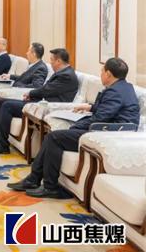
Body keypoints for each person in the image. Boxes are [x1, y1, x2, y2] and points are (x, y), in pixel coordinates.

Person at [8, 57, 139, 198]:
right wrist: (90, 107)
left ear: (108, 74)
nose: (100, 74)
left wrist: (76, 126)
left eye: (102, 71)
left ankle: (48, 186)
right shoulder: (125, 87)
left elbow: (100, 119)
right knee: (54, 136)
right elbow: (108, 110)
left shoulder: (114, 92)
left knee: (54, 137)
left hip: (106, 133)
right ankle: (33, 180)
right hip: (107, 128)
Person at [0, 48, 79, 154]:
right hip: (41, 102)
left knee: (7, 105)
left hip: (47, 106)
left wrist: (30, 94)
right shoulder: (63, 72)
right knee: (2, 101)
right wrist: (32, 95)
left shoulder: (66, 76)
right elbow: (47, 89)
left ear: (58, 61)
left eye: (52, 60)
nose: (50, 63)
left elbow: (47, 90)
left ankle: (2, 145)